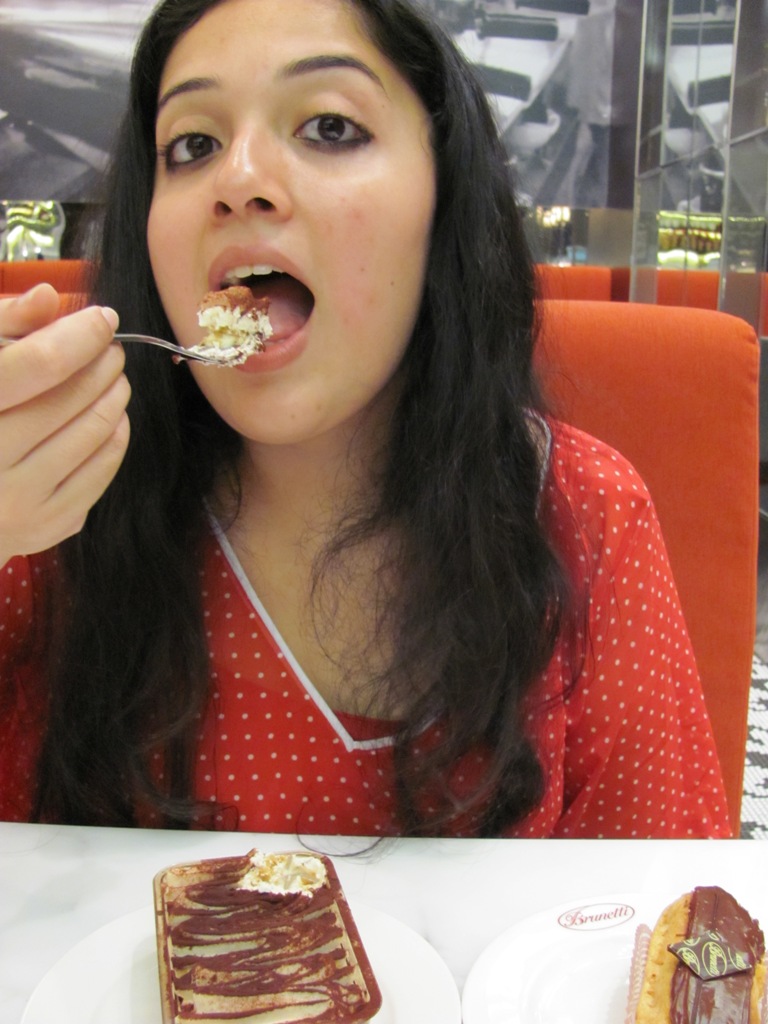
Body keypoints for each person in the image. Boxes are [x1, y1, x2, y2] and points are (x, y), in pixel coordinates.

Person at [0, 0, 730, 839]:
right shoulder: (51, 495)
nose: (238, 179)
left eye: (330, 128)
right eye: (193, 145)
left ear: (442, 195)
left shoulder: (582, 514)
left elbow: (664, 899)